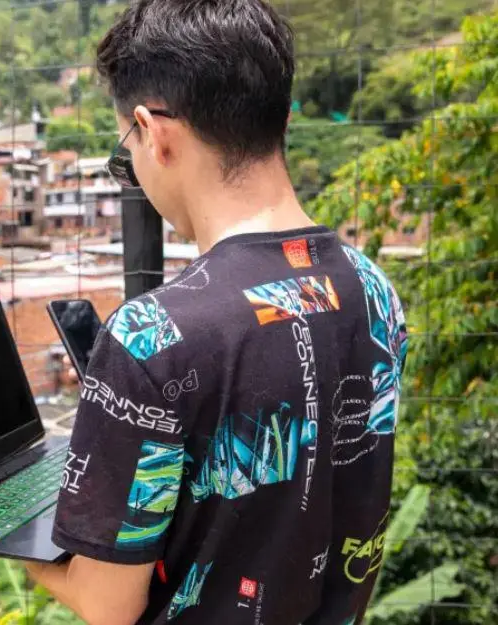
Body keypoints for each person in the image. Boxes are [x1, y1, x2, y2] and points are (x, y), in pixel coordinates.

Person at [25, 1, 408, 624]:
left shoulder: (154, 337)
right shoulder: (372, 289)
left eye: (129, 147)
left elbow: (108, 605)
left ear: (154, 132)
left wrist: (24, 552)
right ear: (281, 118)